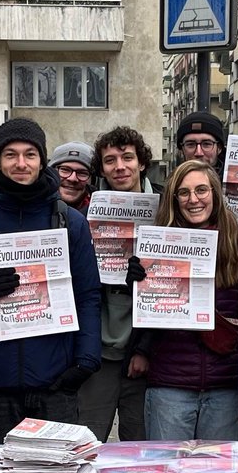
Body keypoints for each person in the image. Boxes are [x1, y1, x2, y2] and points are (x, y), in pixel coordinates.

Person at [0, 119, 101, 446]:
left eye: (30, 154)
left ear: (42, 160)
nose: (21, 164)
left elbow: (88, 295)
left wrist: (86, 360)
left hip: (55, 386)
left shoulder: (70, 222)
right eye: (10, 154)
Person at [132, 160, 238, 441]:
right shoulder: (153, 245)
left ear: (215, 194)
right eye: (184, 193)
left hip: (227, 385)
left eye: (201, 190)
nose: (193, 199)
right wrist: (135, 283)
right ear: (174, 199)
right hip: (170, 384)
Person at [78, 126, 158, 442]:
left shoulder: (165, 208)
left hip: (146, 351)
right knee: (87, 442)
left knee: (141, 449)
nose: (119, 166)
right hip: (98, 349)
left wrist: (146, 348)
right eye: (110, 160)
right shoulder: (83, 215)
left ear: (141, 163)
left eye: (127, 157)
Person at [49, 141, 96, 213]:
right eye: (65, 170)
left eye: (82, 173)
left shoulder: (99, 217)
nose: (72, 178)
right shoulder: (30, 209)